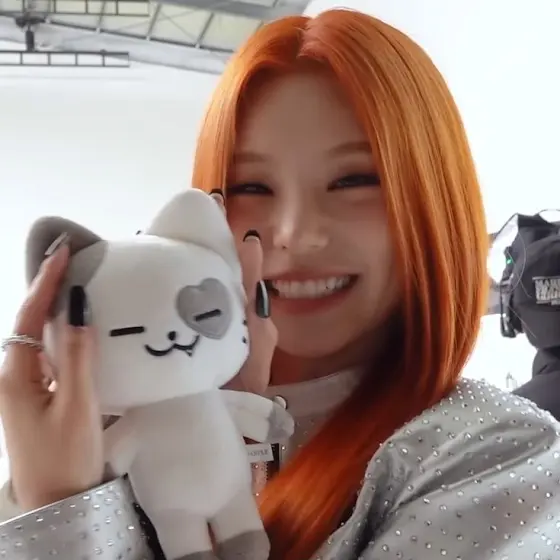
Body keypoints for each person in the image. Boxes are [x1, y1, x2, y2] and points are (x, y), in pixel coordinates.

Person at [1, 8, 559, 560]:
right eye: (252, 186)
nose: (295, 234)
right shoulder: (113, 432)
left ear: (434, 201)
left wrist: (63, 517)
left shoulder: (500, 453)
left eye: (354, 180)